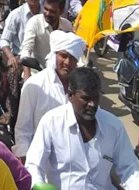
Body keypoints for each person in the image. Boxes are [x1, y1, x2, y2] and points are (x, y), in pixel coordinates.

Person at [25, 67, 139, 190]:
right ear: (70, 96)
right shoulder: (51, 122)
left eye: (95, 97)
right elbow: (34, 166)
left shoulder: (114, 127)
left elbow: (129, 168)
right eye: (86, 98)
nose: (92, 104)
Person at [14, 30, 86, 161]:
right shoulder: (34, 85)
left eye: (73, 58)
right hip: (42, 160)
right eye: (63, 56)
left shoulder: (81, 88)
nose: (67, 62)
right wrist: (26, 161)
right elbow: (23, 129)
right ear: (55, 55)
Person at [0, 0, 42, 127]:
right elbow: (4, 41)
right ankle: (12, 112)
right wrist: (10, 57)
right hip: (20, 56)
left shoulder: (46, 13)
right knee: (12, 73)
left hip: (42, 56)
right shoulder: (16, 15)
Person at [19, 0, 73, 79]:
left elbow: (72, 51)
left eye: (52, 11)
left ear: (61, 11)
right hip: (36, 74)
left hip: (59, 76)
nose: (47, 14)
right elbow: (26, 49)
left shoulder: (67, 26)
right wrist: (27, 75)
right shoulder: (34, 22)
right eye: (46, 9)